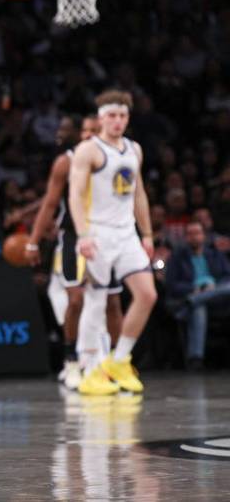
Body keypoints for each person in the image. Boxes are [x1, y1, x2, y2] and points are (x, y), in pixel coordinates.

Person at [68, 90, 157, 395]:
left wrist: (146, 233)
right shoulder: (88, 150)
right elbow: (76, 195)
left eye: (122, 116)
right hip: (98, 232)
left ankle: (119, 360)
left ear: (127, 118)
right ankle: (90, 369)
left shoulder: (135, 149)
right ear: (101, 117)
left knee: (147, 295)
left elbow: (139, 193)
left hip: (126, 232)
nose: (117, 121)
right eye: (111, 115)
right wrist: (82, 235)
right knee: (96, 302)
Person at [26, 114, 124, 390]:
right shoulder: (66, 162)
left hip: (107, 236)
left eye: (95, 131)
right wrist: (34, 240)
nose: (89, 136)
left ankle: (117, 364)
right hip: (74, 236)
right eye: (86, 131)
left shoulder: (116, 158)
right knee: (76, 300)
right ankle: (71, 362)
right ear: (78, 134)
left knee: (113, 303)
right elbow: (49, 204)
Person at [165, 220, 230, 369]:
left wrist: (213, 287)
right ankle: (196, 360)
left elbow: (227, 276)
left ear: (204, 236)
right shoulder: (177, 257)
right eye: (190, 234)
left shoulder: (215, 254)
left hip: (217, 298)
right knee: (199, 309)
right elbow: (172, 284)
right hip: (191, 296)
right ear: (186, 237)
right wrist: (194, 288)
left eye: (197, 233)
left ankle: (194, 300)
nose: (194, 237)